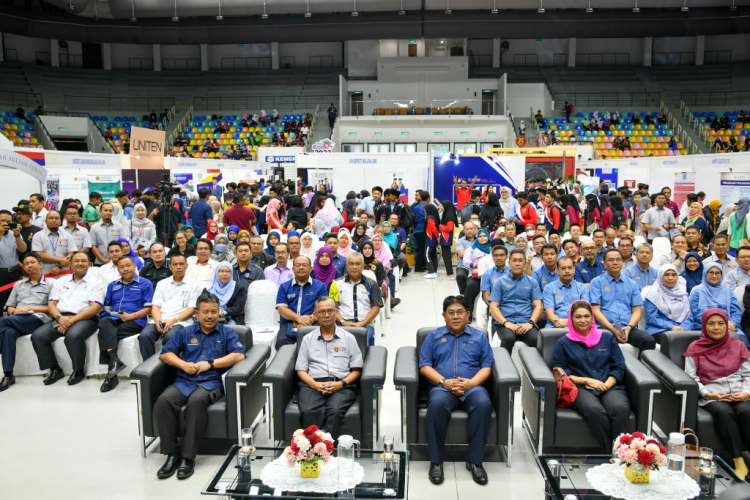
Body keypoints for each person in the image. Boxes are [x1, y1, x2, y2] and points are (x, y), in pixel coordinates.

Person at [153, 292, 245, 480]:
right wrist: (183, 365)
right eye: (205, 312)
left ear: (219, 312)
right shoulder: (185, 332)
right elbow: (165, 354)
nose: (210, 316)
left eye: (213, 311)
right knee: (163, 401)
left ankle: (188, 457)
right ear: (197, 313)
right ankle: (172, 454)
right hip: (184, 380)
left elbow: (239, 355)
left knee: (196, 403)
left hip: (211, 382)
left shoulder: (227, 332)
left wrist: (210, 364)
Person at [419, 295, 494, 485]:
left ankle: (475, 461)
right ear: (443, 316)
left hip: (472, 387)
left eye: (460, 312)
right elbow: (424, 366)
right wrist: (444, 382)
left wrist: (471, 383)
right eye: (451, 313)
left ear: (468, 315)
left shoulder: (479, 337)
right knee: (435, 405)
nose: (455, 316)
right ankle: (436, 461)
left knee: (483, 404)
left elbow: (487, 366)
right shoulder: (434, 337)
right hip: (442, 387)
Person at [551, 301, 633, 450]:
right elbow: (560, 371)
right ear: (571, 319)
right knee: (595, 412)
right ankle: (615, 454)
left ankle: (623, 453)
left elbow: (618, 365)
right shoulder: (563, 343)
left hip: (610, 386)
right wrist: (588, 380)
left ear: (592, 317)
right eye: (578, 317)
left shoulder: (607, 338)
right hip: (580, 387)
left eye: (586, 316)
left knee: (619, 408)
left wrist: (607, 384)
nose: (583, 320)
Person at [684, 308, 750, 480]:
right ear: (704, 326)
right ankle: (738, 461)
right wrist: (707, 394)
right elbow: (691, 378)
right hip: (713, 395)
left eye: (721, 323)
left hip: (739, 393)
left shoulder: (738, 345)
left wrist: (746, 393)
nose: (716, 327)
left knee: (746, 411)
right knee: (724, 412)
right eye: (711, 324)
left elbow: (748, 374)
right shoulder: (695, 348)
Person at [30, 252, 103, 386]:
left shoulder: (96, 282)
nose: (80, 263)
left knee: (73, 336)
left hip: (85, 318)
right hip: (61, 316)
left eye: (83, 261)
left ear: (89, 264)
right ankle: (55, 369)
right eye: (76, 261)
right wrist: (60, 318)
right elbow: (51, 304)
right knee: (38, 336)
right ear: (70, 264)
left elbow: (95, 308)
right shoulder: (61, 281)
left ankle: (78, 370)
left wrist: (71, 320)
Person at [295, 296, 363, 438]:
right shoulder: (308, 339)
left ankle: (324, 447)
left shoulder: (348, 338)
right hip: (313, 384)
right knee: (308, 410)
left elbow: (356, 370)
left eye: (330, 311)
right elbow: (301, 369)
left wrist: (341, 384)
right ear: (315, 315)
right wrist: (314, 385)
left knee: (335, 410)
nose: (326, 315)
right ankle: (313, 449)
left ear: (336, 312)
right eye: (322, 312)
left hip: (341, 384)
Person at [97, 256, 154, 392]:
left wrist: (130, 316)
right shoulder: (113, 285)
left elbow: (149, 308)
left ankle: (111, 375)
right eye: (121, 267)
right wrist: (112, 314)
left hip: (135, 320)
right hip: (114, 318)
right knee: (105, 323)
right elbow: (107, 306)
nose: (125, 269)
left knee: (106, 333)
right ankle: (114, 363)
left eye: (128, 265)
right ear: (118, 269)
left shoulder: (145, 284)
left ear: (134, 266)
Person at [0, 254, 53, 391]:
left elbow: (53, 308)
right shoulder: (18, 284)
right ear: (23, 267)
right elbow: (9, 306)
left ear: (40, 264)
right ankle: (8, 374)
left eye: (32, 262)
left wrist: (30, 308)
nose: (29, 265)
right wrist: (14, 312)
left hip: (38, 319)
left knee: (3, 322)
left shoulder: (51, 284)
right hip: (16, 319)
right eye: (26, 264)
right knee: (8, 333)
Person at [589, 248, 656, 352]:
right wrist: (613, 330)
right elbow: (595, 310)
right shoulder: (596, 282)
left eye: (618, 259)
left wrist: (629, 327)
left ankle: (638, 368)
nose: (615, 263)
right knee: (603, 341)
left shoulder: (632, 283)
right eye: (611, 260)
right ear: (604, 264)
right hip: (605, 327)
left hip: (627, 327)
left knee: (648, 341)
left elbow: (637, 311)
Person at [138, 254, 200, 360]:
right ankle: (149, 368)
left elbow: (192, 309)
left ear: (186, 266)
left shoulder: (194, 284)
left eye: (181, 264)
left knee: (170, 337)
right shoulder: (162, 283)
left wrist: (173, 320)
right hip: (161, 319)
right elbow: (156, 306)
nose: (178, 267)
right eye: (175, 264)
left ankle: (168, 369)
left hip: (181, 321)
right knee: (145, 336)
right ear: (170, 267)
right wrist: (157, 320)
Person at [489, 249, 543, 354]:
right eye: (514, 260)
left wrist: (530, 323)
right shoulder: (500, 282)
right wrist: (506, 323)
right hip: (506, 323)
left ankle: (538, 370)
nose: (517, 263)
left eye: (520, 260)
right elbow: (493, 306)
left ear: (525, 263)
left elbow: (538, 306)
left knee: (537, 340)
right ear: (509, 263)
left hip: (526, 322)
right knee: (508, 339)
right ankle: (503, 369)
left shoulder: (532, 282)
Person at [275, 256, 329, 350]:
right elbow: (281, 309)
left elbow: (323, 309)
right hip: (289, 322)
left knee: (320, 342)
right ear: (293, 269)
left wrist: (308, 320)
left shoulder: (320, 286)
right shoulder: (284, 286)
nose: (301, 268)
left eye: (304, 265)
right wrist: (298, 318)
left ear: (311, 268)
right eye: (298, 265)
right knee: (281, 341)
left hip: (314, 322)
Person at [689, 263, 747, 346]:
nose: (714, 276)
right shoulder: (697, 291)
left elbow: (736, 312)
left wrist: (732, 323)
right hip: (705, 326)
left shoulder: (728, 291)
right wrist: (720, 325)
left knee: (741, 341)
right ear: (705, 273)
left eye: (717, 273)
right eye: (711, 273)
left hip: (729, 326)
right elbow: (695, 313)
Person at [333, 253, 383, 346]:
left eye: (357, 264)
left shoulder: (371, 284)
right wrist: (343, 322)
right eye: (351, 264)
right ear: (347, 266)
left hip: (366, 323)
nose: (354, 267)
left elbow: (376, 307)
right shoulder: (336, 283)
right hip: (342, 323)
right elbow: (333, 307)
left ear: (363, 266)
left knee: (369, 337)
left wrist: (363, 323)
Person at [643, 264, 692, 343]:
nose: (670, 278)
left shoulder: (683, 294)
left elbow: (689, 316)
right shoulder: (653, 294)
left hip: (682, 329)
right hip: (659, 329)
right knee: (675, 340)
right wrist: (672, 327)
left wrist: (683, 328)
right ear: (660, 276)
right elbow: (652, 318)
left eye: (674, 275)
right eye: (666, 275)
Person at [542, 257, 590, 328]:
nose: (567, 271)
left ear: (574, 269)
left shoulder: (582, 288)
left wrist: (569, 323)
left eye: (570, 268)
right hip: (555, 324)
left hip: (577, 325)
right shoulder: (549, 288)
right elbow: (549, 313)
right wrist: (559, 322)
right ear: (557, 270)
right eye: (563, 268)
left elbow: (585, 311)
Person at [30, 211, 76, 276]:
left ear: (60, 221)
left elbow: (71, 254)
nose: (54, 220)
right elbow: (40, 255)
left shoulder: (67, 236)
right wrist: (61, 260)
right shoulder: (38, 236)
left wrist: (59, 267)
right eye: (51, 218)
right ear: (45, 221)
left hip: (63, 273)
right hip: (45, 273)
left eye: (57, 218)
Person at [455, 220, 478, 295]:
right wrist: (477, 254)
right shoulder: (460, 241)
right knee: (460, 276)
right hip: (463, 266)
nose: (469, 231)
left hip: (477, 266)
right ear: (464, 231)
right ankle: (463, 295)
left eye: (471, 229)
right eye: (467, 229)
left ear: (474, 229)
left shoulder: (480, 239)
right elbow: (461, 254)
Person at [439, 201, 458, 279]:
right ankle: (449, 273)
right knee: (445, 256)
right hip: (445, 238)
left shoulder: (449, 217)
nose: (441, 207)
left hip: (446, 239)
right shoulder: (446, 215)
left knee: (446, 256)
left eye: (442, 206)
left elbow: (449, 228)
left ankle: (450, 273)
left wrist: (440, 226)